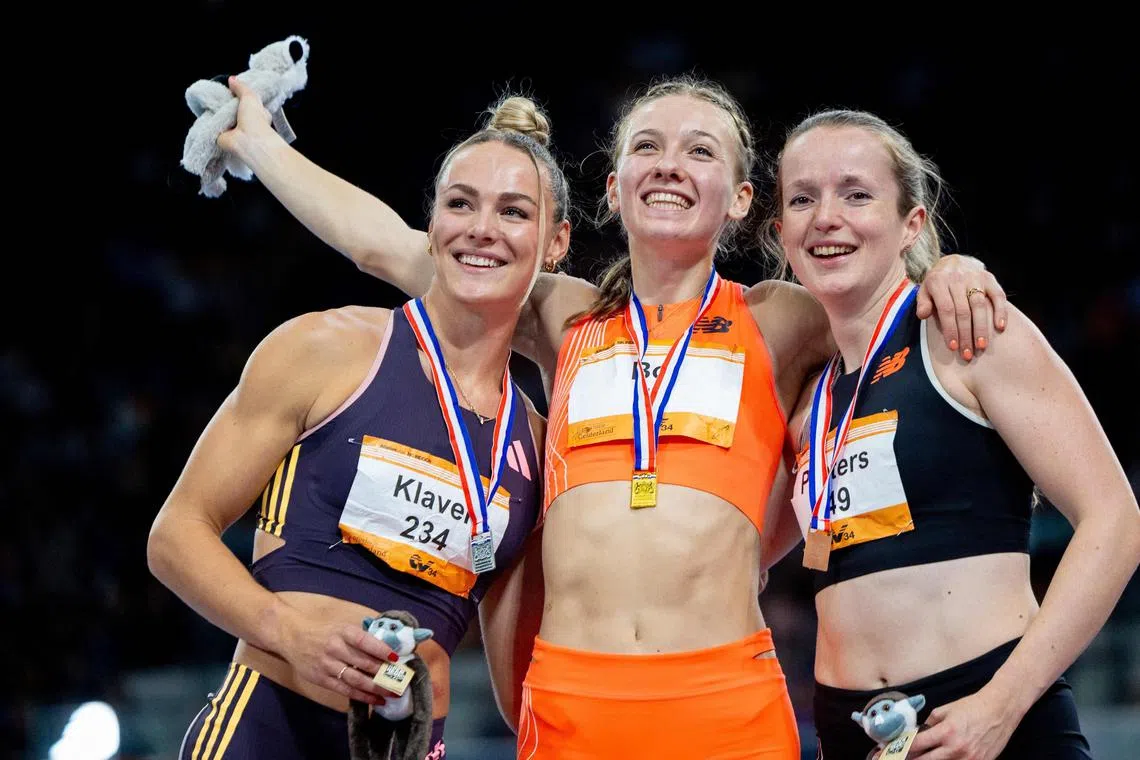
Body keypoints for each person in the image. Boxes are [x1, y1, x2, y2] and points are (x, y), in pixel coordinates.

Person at [215, 74, 1006, 758]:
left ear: (739, 200)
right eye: (647, 147)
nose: (669, 164)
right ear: (613, 185)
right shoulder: (563, 314)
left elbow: (874, 284)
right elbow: (386, 246)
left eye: (700, 151)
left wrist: (950, 269)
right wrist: (258, 143)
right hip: (570, 708)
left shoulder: (781, 318)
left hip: (727, 702)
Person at [148, 94, 572, 759]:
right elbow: (174, 536)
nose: (482, 229)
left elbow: (522, 677)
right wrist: (286, 631)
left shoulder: (541, 447)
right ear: (430, 224)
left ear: (556, 244)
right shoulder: (327, 349)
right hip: (265, 729)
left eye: (513, 212)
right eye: (460, 204)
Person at [757, 108, 1140, 759]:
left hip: (990, 719)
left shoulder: (970, 335)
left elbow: (1117, 520)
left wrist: (1002, 704)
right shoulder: (807, 401)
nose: (827, 215)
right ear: (781, 233)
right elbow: (742, 562)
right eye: (803, 198)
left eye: (856, 193)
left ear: (913, 223)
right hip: (849, 733)